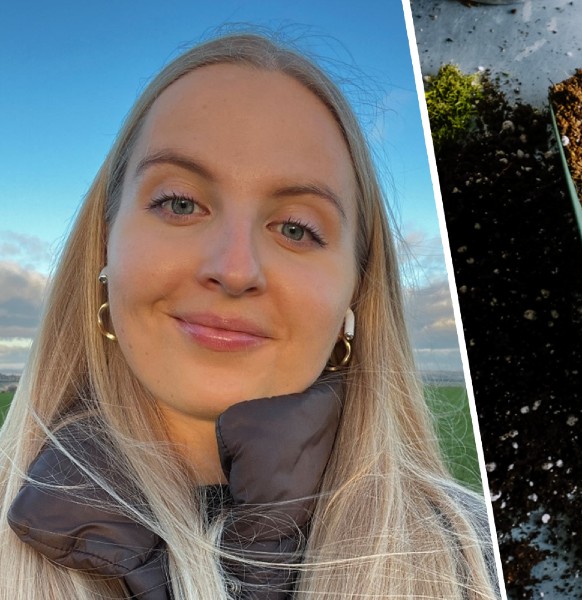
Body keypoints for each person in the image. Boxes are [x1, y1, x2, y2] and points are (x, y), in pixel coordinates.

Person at [0, 32, 498, 599]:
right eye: (180, 203)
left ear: (354, 294)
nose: (235, 270)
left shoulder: (475, 562)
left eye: (295, 229)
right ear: (105, 245)